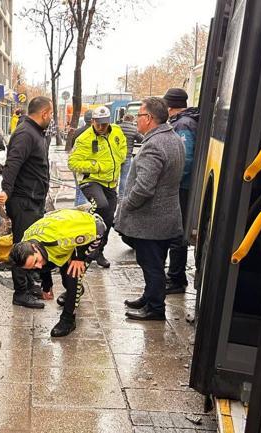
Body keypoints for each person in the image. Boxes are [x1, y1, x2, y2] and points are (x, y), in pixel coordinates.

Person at [115, 97, 185, 321]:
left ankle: (155, 308)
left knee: (151, 265)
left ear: (149, 118)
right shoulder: (173, 137)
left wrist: (125, 205)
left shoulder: (154, 145)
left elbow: (144, 188)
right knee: (156, 262)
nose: (137, 120)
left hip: (151, 220)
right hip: (166, 216)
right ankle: (149, 296)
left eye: (139, 116)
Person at [0, 96, 54, 308]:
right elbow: (13, 163)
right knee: (22, 247)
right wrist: (6, 192)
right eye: (51, 114)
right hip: (23, 201)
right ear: (44, 113)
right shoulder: (26, 133)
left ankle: (29, 284)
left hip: (34, 199)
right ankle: (20, 293)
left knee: (32, 244)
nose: (51, 118)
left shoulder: (35, 132)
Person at [9, 209, 105, 337]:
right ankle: (76, 291)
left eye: (36, 261)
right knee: (58, 272)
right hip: (63, 243)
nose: (37, 265)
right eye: (32, 265)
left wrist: (81, 258)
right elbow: (42, 266)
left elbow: (100, 229)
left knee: (72, 276)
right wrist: (47, 285)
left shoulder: (61, 237)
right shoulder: (26, 241)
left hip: (90, 231)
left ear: (34, 247)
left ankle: (68, 320)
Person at [68, 106, 127, 268]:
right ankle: (82, 247)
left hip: (111, 182)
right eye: (98, 123)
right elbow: (73, 162)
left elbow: (123, 148)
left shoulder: (116, 131)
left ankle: (98, 251)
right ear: (92, 121)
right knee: (101, 206)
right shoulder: (84, 138)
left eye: (104, 123)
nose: (101, 127)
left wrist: (120, 157)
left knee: (108, 218)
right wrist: (96, 165)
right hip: (91, 181)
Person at [163, 88, 200, 295]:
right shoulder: (184, 121)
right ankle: (176, 275)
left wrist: (172, 182)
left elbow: (185, 159)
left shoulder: (183, 124)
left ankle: (176, 278)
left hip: (182, 187)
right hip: (183, 186)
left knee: (177, 232)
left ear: (170, 106)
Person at [118, 113, 144, 197]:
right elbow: (141, 140)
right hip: (127, 156)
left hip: (116, 156)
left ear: (123, 119)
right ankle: (121, 196)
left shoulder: (118, 128)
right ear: (132, 120)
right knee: (124, 177)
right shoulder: (134, 129)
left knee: (113, 176)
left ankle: (112, 194)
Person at [72, 110, 95, 206]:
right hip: (88, 165)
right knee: (84, 192)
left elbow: (72, 146)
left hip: (77, 164)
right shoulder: (95, 132)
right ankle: (81, 214)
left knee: (79, 190)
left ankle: (76, 212)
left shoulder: (77, 131)